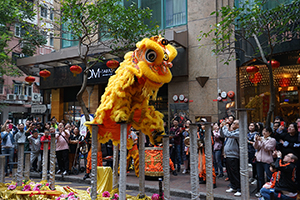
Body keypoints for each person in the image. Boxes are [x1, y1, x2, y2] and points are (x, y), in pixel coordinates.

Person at [253, 127, 276, 198]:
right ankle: (260, 191)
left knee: (269, 176)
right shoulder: (261, 138)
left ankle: (270, 191)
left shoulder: (272, 140)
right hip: (259, 160)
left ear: (270, 133)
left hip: (267, 160)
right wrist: (256, 141)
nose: (264, 132)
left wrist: (262, 141)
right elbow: (256, 147)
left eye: (266, 131)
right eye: (263, 131)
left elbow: (267, 148)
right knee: (260, 177)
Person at [220, 119, 241, 197]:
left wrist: (225, 127)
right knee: (230, 173)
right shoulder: (231, 132)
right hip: (228, 155)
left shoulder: (239, 132)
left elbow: (228, 134)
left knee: (235, 172)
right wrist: (221, 128)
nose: (232, 124)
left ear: (238, 125)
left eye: (234, 123)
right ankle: (233, 186)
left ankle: (239, 188)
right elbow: (222, 135)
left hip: (234, 155)